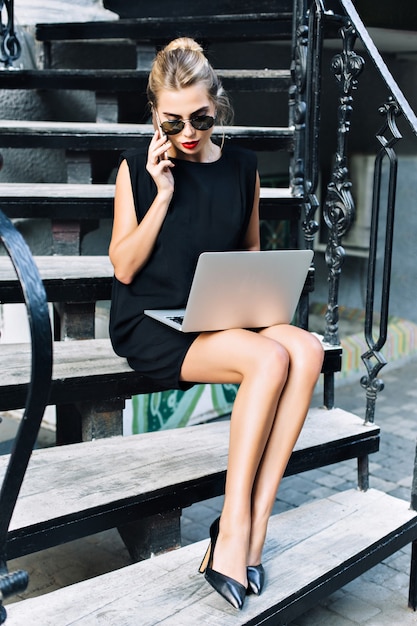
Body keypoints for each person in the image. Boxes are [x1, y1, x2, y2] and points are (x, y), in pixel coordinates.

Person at [109, 37, 324, 610]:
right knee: (268, 358)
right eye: (173, 120)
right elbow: (124, 266)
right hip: (151, 321)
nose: (187, 132)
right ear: (154, 113)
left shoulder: (243, 168)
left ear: (217, 106)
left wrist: (261, 306)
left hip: (216, 316)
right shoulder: (136, 169)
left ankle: (253, 526)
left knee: (303, 348)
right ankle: (230, 532)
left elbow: (247, 260)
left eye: (201, 118)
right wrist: (161, 194)